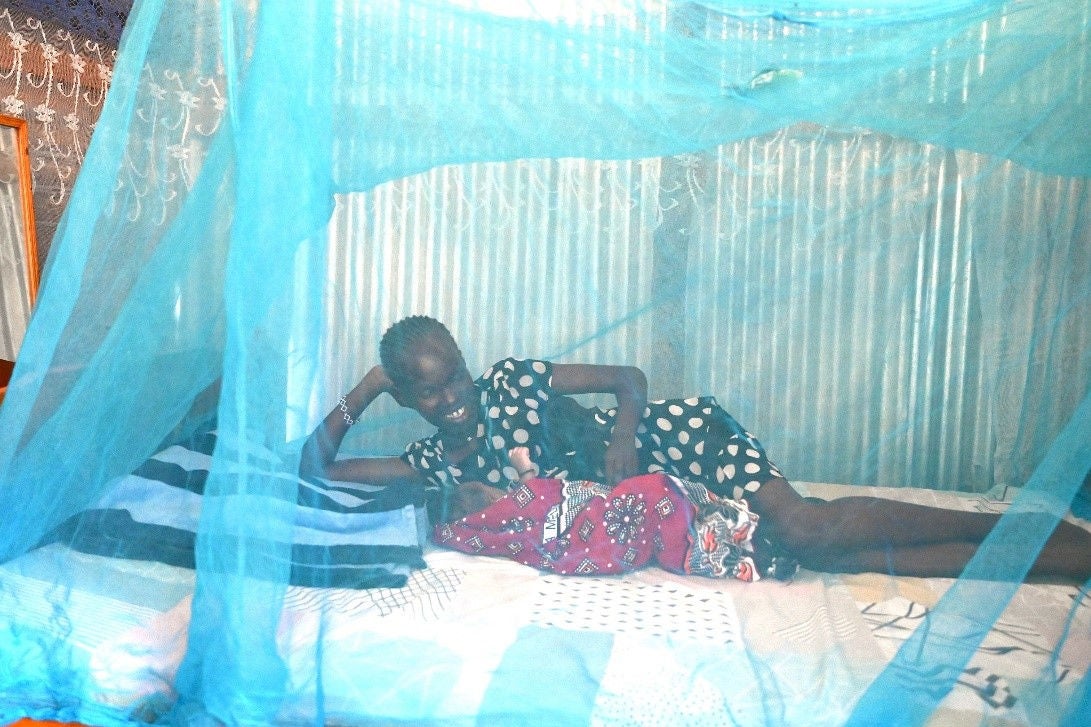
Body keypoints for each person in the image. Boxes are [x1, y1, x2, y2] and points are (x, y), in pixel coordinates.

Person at [300, 315, 1091, 581]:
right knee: (826, 560)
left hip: (684, 444)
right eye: (429, 391)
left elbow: (628, 375)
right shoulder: (434, 462)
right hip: (671, 510)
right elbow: (318, 469)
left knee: (807, 528)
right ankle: (1039, 554)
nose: (454, 396)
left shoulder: (512, 380)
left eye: (455, 376)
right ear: (408, 396)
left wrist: (621, 437)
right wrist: (365, 387)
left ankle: (1015, 530)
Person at [432, 446, 794, 581]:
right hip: (617, 526)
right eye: (483, 492)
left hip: (607, 511)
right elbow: (540, 499)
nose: (492, 490)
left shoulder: (518, 503)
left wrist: (523, 468)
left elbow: (547, 496)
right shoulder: (515, 507)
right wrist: (524, 471)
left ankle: (741, 545)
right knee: (656, 493)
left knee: (663, 499)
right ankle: (743, 539)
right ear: (482, 504)